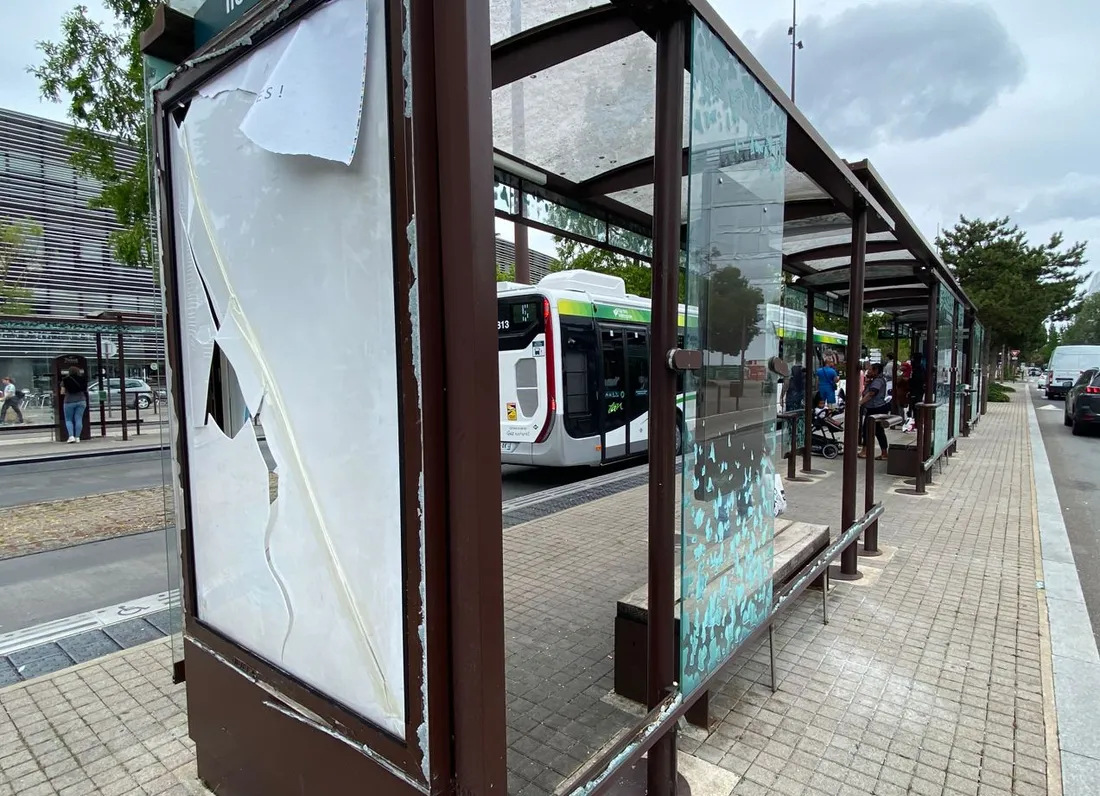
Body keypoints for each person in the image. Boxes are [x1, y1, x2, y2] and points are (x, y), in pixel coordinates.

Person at [859, 362, 890, 460]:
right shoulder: (876, 380)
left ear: (876, 371)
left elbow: (871, 393)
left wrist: (860, 403)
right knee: (877, 431)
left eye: (870, 370)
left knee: (868, 430)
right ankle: (883, 453)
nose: (868, 371)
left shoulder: (878, 381)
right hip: (876, 408)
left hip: (875, 409)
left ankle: (865, 451)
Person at [60, 366, 89, 443]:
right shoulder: (83, 379)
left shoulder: (65, 380)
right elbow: (86, 390)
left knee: (68, 420)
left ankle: (71, 436)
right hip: (81, 400)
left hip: (69, 401)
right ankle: (77, 437)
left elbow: (62, 392)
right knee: (78, 419)